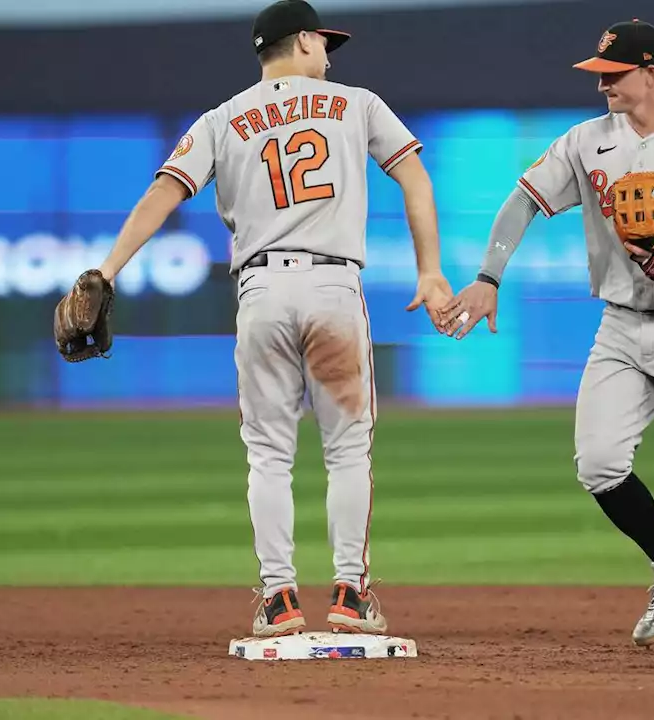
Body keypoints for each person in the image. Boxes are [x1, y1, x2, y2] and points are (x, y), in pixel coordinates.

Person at [93, 0, 453, 638]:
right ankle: (351, 592)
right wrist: (430, 270)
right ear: (305, 41)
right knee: (347, 449)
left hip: (260, 290)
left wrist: (106, 272)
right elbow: (415, 179)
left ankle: (278, 599)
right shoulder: (357, 102)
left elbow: (163, 193)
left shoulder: (221, 118)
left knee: (268, 455)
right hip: (334, 286)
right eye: (325, 41)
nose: (330, 54)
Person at [439, 19, 654, 654]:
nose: (603, 85)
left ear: (650, 72)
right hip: (620, 323)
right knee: (598, 463)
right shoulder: (587, 142)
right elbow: (522, 201)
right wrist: (487, 276)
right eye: (599, 75)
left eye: (613, 75)